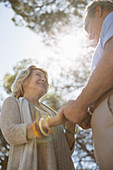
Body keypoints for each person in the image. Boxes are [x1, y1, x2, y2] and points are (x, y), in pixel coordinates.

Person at [45, 1, 113, 170]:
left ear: (98, 11)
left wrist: (80, 105)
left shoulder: (110, 19)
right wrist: (89, 111)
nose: (90, 36)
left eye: (87, 26)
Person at [1, 65, 75, 170]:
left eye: (45, 78)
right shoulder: (13, 102)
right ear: (23, 81)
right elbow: (11, 133)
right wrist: (50, 123)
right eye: (38, 75)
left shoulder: (53, 113)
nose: (44, 79)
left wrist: (71, 126)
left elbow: (65, 150)